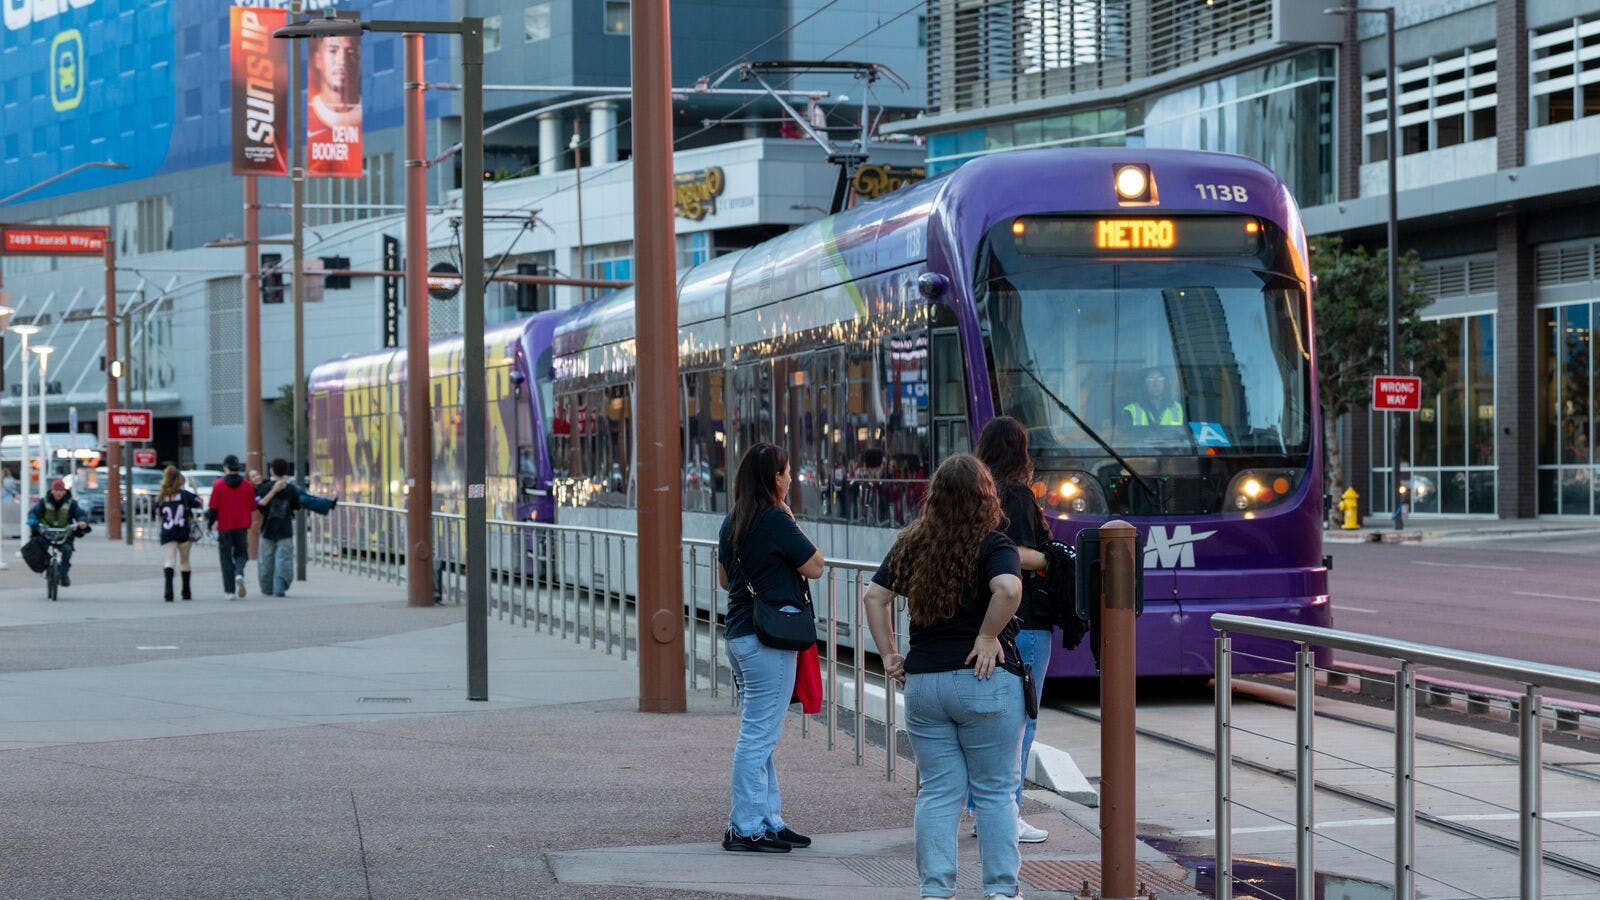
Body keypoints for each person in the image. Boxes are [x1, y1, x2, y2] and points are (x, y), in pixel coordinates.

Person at [862, 455, 1025, 900]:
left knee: (937, 793)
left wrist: (890, 654)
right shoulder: (994, 544)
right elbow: (1009, 589)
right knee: (994, 794)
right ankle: (1000, 892)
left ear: (934, 498)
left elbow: (874, 598)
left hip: (925, 684)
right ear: (985, 498)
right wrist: (988, 635)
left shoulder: (912, 544)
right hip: (983, 679)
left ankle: (935, 891)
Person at [715, 442, 824, 853]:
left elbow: (725, 580)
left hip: (741, 635)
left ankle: (769, 819)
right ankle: (745, 827)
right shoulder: (776, 520)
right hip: (769, 640)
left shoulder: (732, 522)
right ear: (773, 479)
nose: (791, 478)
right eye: (786, 472)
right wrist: (791, 520)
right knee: (758, 736)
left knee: (760, 733)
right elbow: (815, 565)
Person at [972, 416, 1052, 844]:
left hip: (989, 617)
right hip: (1027, 619)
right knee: (1022, 721)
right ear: (1020, 451)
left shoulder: (979, 492)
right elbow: (1018, 554)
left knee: (989, 720)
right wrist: (1054, 559)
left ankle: (983, 809)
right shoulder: (1017, 495)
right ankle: (1009, 813)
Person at [255, 458, 337, 598]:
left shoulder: (265, 488)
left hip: (268, 529)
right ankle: (280, 587)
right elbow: (298, 505)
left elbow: (260, 507)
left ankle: (266, 588)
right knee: (284, 559)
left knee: (265, 560)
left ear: (271, 470)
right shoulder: (291, 489)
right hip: (285, 529)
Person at [207, 455, 257, 600]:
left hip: (224, 526)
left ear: (225, 467)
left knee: (225, 557)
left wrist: (210, 525)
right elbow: (253, 506)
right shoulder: (247, 485)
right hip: (242, 525)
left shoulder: (218, 485)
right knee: (242, 554)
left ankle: (229, 591)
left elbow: (213, 508)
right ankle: (239, 573)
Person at [28, 479, 90, 587]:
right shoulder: (44, 501)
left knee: (67, 550)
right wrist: (32, 520)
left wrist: (82, 521)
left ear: (65, 491)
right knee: (39, 547)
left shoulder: (71, 503)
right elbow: (34, 512)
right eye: (56, 490)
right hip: (46, 533)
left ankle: (63, 574)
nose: (59, 493)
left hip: (64, 534)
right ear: (52, 491)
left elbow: (80, 513)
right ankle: (47, 567)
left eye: (61, 490)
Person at [154, 466, 201, 602]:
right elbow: (199, 503)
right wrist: (195, 488)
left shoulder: (161, 496)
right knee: (185, 561)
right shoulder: (185, 494)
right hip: (183, 530)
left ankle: (168, 592)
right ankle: (186, 592)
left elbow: (158, 513)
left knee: (169, 561)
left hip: (168, 531)